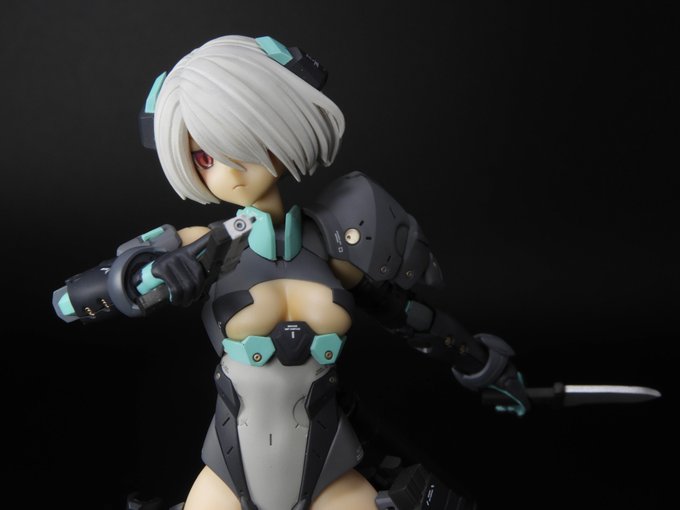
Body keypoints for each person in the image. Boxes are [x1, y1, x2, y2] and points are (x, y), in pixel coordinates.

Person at [54, 35, 529, 510]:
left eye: (243, 140)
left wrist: (484, 366)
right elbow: (69, 302)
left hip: (329, 466)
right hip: (229, 472)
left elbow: (410, 318)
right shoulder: (198, 247)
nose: (231, 170)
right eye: (205, 156)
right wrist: (146, 273)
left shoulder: (338, 243)